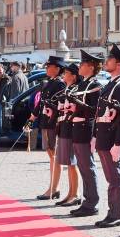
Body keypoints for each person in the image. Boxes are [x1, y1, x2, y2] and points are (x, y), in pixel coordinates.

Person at [93, 44, 120, 228]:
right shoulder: (110, 85)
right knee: (111, 179)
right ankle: (112, 212)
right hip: (103, 137)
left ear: (119, 65)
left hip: (112, 139)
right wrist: (95, 136)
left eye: (110, 59)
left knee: (117, 178)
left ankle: (118, 214)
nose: (106, 62)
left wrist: (118, 143)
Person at [69, 50, 103, 218]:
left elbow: (95, 111)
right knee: (83, 167)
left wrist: (77, 104)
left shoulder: (94, 85)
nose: (79, 67)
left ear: (90, 67)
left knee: (88, 167)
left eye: (82, 64)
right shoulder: (83, 84)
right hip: (77, 128)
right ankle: (87, 200)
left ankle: (92, 202)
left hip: (85, 129)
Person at [29, 56, 67, 200]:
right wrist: (32, 117)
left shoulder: (60, 84)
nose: (46, 68)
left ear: (57, 69)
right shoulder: (49, 83)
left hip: (53, 124)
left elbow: (60, 105)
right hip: (45, 123)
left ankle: (54, 188)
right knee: (51, 156)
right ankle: (53, 187)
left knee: (55, 157)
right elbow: (41, 103)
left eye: (48, 66)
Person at [54, 63, 82, 206]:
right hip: (64, 127)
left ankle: (75, 194)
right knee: (67, 163)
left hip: (70, 128)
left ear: (74, 76)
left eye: (66, 73)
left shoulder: (75, 90)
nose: (64, 75)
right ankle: (70, 193)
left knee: (72, 163)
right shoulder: (67, 89)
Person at [0, 63, 11, 134]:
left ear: (3, 70)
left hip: (4, 101)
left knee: (2, 117)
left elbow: (8, 91)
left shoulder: (7, 78)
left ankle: (2, 132)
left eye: (0, 70)